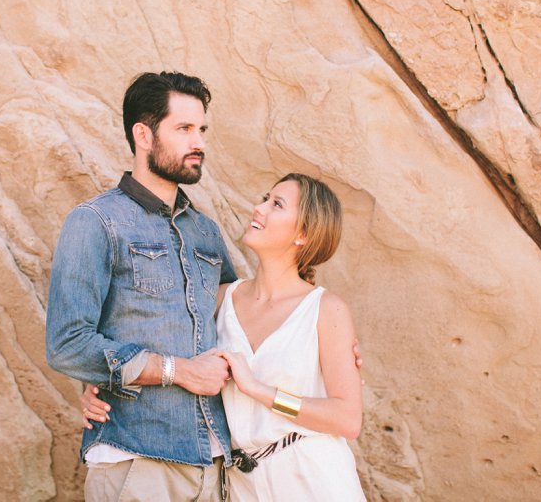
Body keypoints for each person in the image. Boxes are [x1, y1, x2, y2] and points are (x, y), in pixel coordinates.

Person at [83, 173, 366, 501]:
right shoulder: (218, 300)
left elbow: (347, 419)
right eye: (264, 198)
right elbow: (141, 335)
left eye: (276, 204)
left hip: (312, 475)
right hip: (242, 483)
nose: (258, 209)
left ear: (303, 233)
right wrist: (98, 384)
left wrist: (259, 390)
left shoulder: (325, 309)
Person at [46, 71, 238, 501]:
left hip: (216, 461)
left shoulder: (206, 232)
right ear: (143, 134)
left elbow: (242, 313)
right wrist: (176, 371)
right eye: (184, 128)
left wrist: (321, 331)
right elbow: (67, 344)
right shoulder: (95, 222)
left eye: (202, 129)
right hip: (136, 459)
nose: (199, 142)